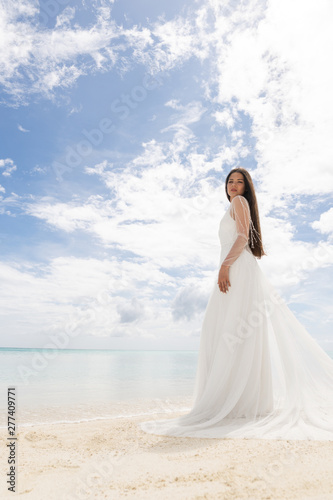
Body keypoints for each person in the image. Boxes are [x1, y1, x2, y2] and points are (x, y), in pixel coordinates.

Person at [139, 167, 333, 440]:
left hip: (237, 269)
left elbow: (242, 236)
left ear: (246, 188)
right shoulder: (233, 205)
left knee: (228, 332)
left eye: (239, 182)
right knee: (226, 332)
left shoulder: (240, 203)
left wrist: (224, 267)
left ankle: (230, 402)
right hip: (236, 269)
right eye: (230, 181)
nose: (233, 185)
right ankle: (234, 401)